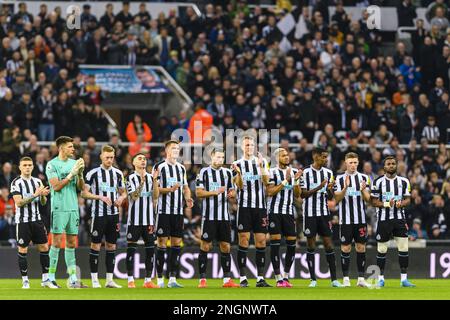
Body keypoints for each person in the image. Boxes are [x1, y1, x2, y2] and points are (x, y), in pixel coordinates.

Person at [81, 145, 127, 288]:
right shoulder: (92, 173)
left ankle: (109, 280)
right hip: (98, 215)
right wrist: (99, 197)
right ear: (101, 156)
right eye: (107, 157)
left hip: (113, 216)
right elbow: (84, 193)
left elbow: (124, 192)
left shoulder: (118, 173)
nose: (109, 160)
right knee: (95, 244)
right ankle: (95, 280)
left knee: (111, 245)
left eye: (112, 157)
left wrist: (122, 198)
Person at [45, 136, 87, 288]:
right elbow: (55, 186)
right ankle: (50, 277)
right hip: (59, 208)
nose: (73, 149)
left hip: (73, 208)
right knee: (56, 242)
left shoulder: (73, 163)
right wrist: (71, 175)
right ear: (61, 148)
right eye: (70, 147)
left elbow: (81, 187)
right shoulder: (52, 165)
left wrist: (80, 174)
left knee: (71, 243)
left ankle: (73, 278)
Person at [10, 157, 57, 289]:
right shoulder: (16, 183)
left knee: (44, 248)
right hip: (23, 221)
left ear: (33, 167)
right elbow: (19, 203)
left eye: (30, 165)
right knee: (23, 249)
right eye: (24, 165)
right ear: (20, 167)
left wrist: (43, 196)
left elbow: (43, 203)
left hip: (36, 220)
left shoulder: (37, 181)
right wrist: (36, 194)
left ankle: (45, 279)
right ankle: (25, 280)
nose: (27, 167)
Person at [195, 148, 239, 288]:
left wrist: (232, 195)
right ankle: (202, 280)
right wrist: (215, 192)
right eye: (218, 157)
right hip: (209, 216)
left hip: (224, 217)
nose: (220, 160)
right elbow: (198, 193)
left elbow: (232, 192)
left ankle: (227, 280)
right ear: (212, 157)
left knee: (225, 246)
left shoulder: (227, 173)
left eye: (222, 157)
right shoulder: (204, 172)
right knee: (205, 245)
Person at [231, 135, 271, 287]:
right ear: (242, 147)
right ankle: (242, 278)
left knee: (261, 241)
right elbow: (239, 186)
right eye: (246, 145)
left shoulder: (262, 162)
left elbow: (267, 183)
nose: (249, 147)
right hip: (244, 207)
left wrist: (261, 167)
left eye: (251, 145)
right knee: (244, 241)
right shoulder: (236, 164)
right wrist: (239, 173)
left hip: (260, 208)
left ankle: (260, 278)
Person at [153, 140, 193, 288]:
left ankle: (172, 279)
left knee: (176, 243)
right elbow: (154, 190)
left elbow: (185, 187)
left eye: (178, 148)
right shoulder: (159, 167)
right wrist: (169, 189)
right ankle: (159, 279)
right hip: (163, 211)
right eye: (173, 148)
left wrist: (188, 197)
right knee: (162, 243)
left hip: (177, 212)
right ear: (167, 151)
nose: (176, 150)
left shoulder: (181, 168)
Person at [370, 156, 415, 287]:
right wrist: (386, 204)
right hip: (384, 220)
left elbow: (408, 199)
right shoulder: (378, 182)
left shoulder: (404, 181)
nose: (391, 165)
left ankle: (404, 280)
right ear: (384, 167)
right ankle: (380, 279)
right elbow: (373, 201)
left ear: (396, 165)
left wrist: (402, 203)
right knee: (382, 250)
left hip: (399, 219)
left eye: (393, 163)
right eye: (388, 164)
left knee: (403, 248)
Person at [301, 147, 342, 288]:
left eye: (326, 157)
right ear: (315, 156)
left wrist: (330, 188)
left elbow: (330, 195)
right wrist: (320, 186)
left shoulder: (329, 172)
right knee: (311, 245)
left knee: (329, 245)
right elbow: (303, 194)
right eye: (323, 157)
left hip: (324, 213)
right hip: (310, 214)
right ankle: (313, 279)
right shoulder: (305, 172)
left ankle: (334, 280)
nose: (325, 159)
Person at [333, 152, 371, 287]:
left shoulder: (365, 178)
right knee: (346, 248)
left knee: (361, 247)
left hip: (360, 220)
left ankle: (361, 279)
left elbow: (369, 200)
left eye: (355, 162)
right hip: (345, 220)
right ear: (346, 163)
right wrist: (345, 188)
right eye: (350, 162)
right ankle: (346, 279)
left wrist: (362, 190)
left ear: (358, 163)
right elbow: (336, 199)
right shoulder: (338, 179)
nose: (353, 165)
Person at [266, 148, 302, 287]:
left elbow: (297, 195)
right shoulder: (272, 172)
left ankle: (286, 276)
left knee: (291, 244)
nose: (287, 157)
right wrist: (286, 181)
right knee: (275, 243)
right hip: (274, 212)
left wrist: (296, 181)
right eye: (283, 155)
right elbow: (270, 192)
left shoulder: (293, 172)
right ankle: (278, 277)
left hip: (288, 212)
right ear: (277, 158)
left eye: (287, 155)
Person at [125, 153, 159, 288]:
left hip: (149, 219)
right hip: (134, 220)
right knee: (131, 249)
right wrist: (141, 183)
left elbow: (155, 197)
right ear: (133, 162)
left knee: (150, 249)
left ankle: (148, 280)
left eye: (144, 159)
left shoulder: (152, 177)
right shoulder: (130, 178)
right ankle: (130, 279)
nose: (143, 161)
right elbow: (133, 196)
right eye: (140, 158)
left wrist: (155, 181)